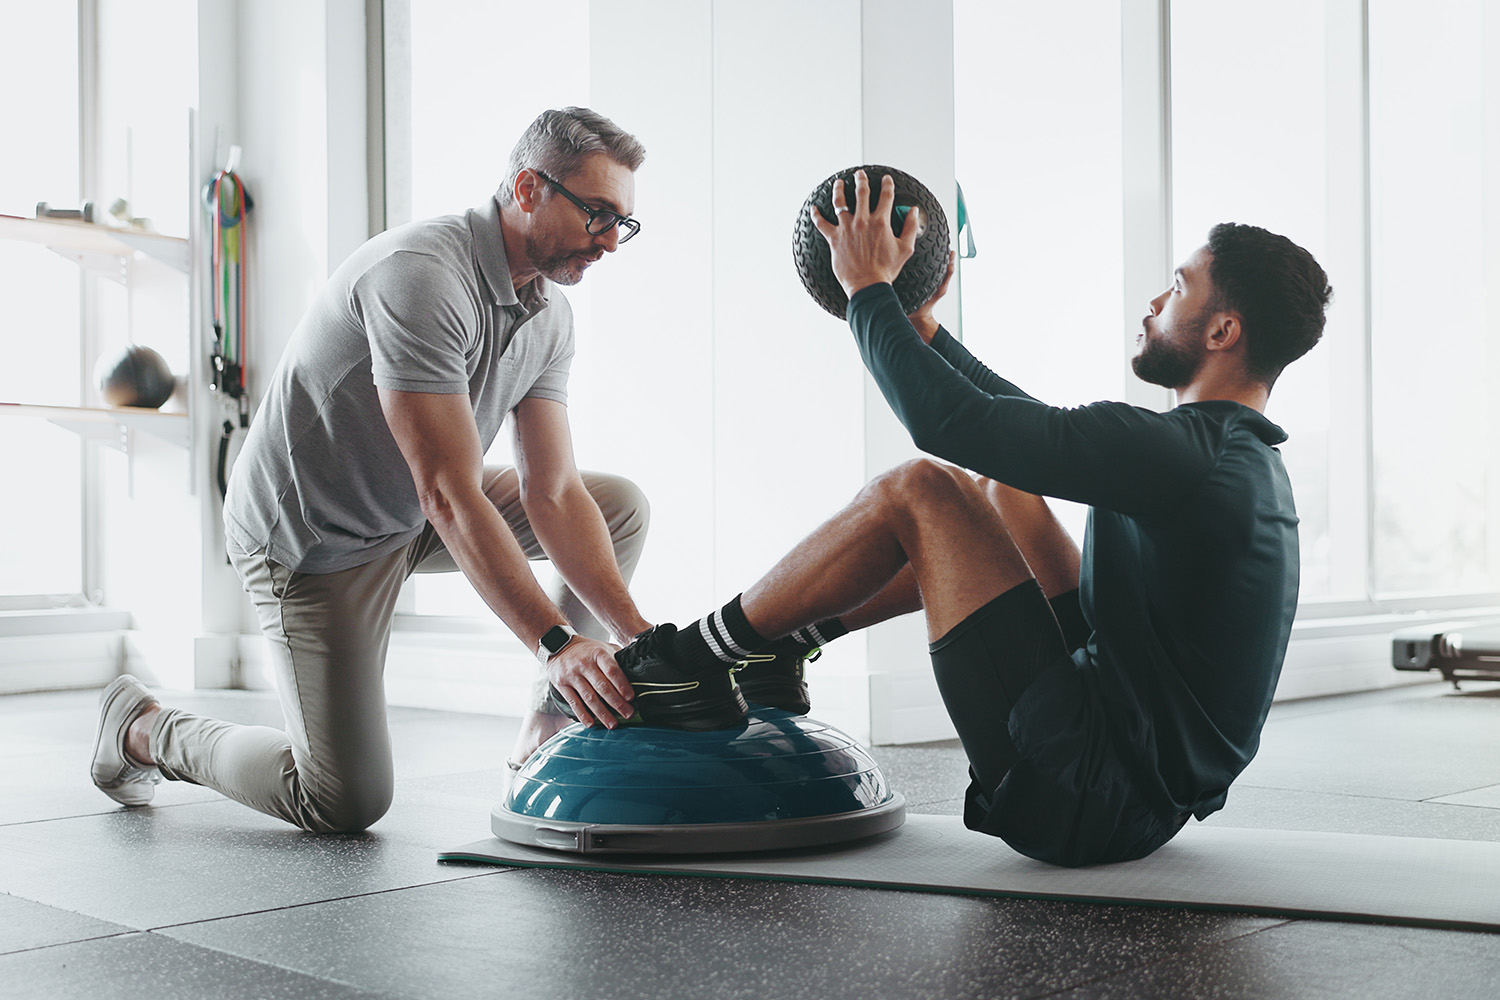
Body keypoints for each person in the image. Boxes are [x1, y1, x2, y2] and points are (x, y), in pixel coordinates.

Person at [590, 169, 1331, 867]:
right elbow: (1019, 427)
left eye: (1176, 289)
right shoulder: (1225, 452)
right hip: (1136, 789)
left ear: (1222, 331)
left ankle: (689, 661)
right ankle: (783, 647)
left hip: (1083, 797)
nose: (1153, 303)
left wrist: (868, 291)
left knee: (918, 488)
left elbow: (949, 426)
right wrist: (922, 329)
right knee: (1011, 491)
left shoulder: (1186, 452)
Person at [91, 107, 686, 833]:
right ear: (528, 188)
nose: (610, 242)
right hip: (314, 540)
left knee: (617, 504)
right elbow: (447, 490)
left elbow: (552, 490)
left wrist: (640, 637)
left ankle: (553, 721)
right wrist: (557, 643)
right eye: (597, 213)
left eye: (621, 222)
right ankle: (145, 727)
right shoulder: (421, 275)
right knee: (343, 801)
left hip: (411, 510)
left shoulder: (548, 314)